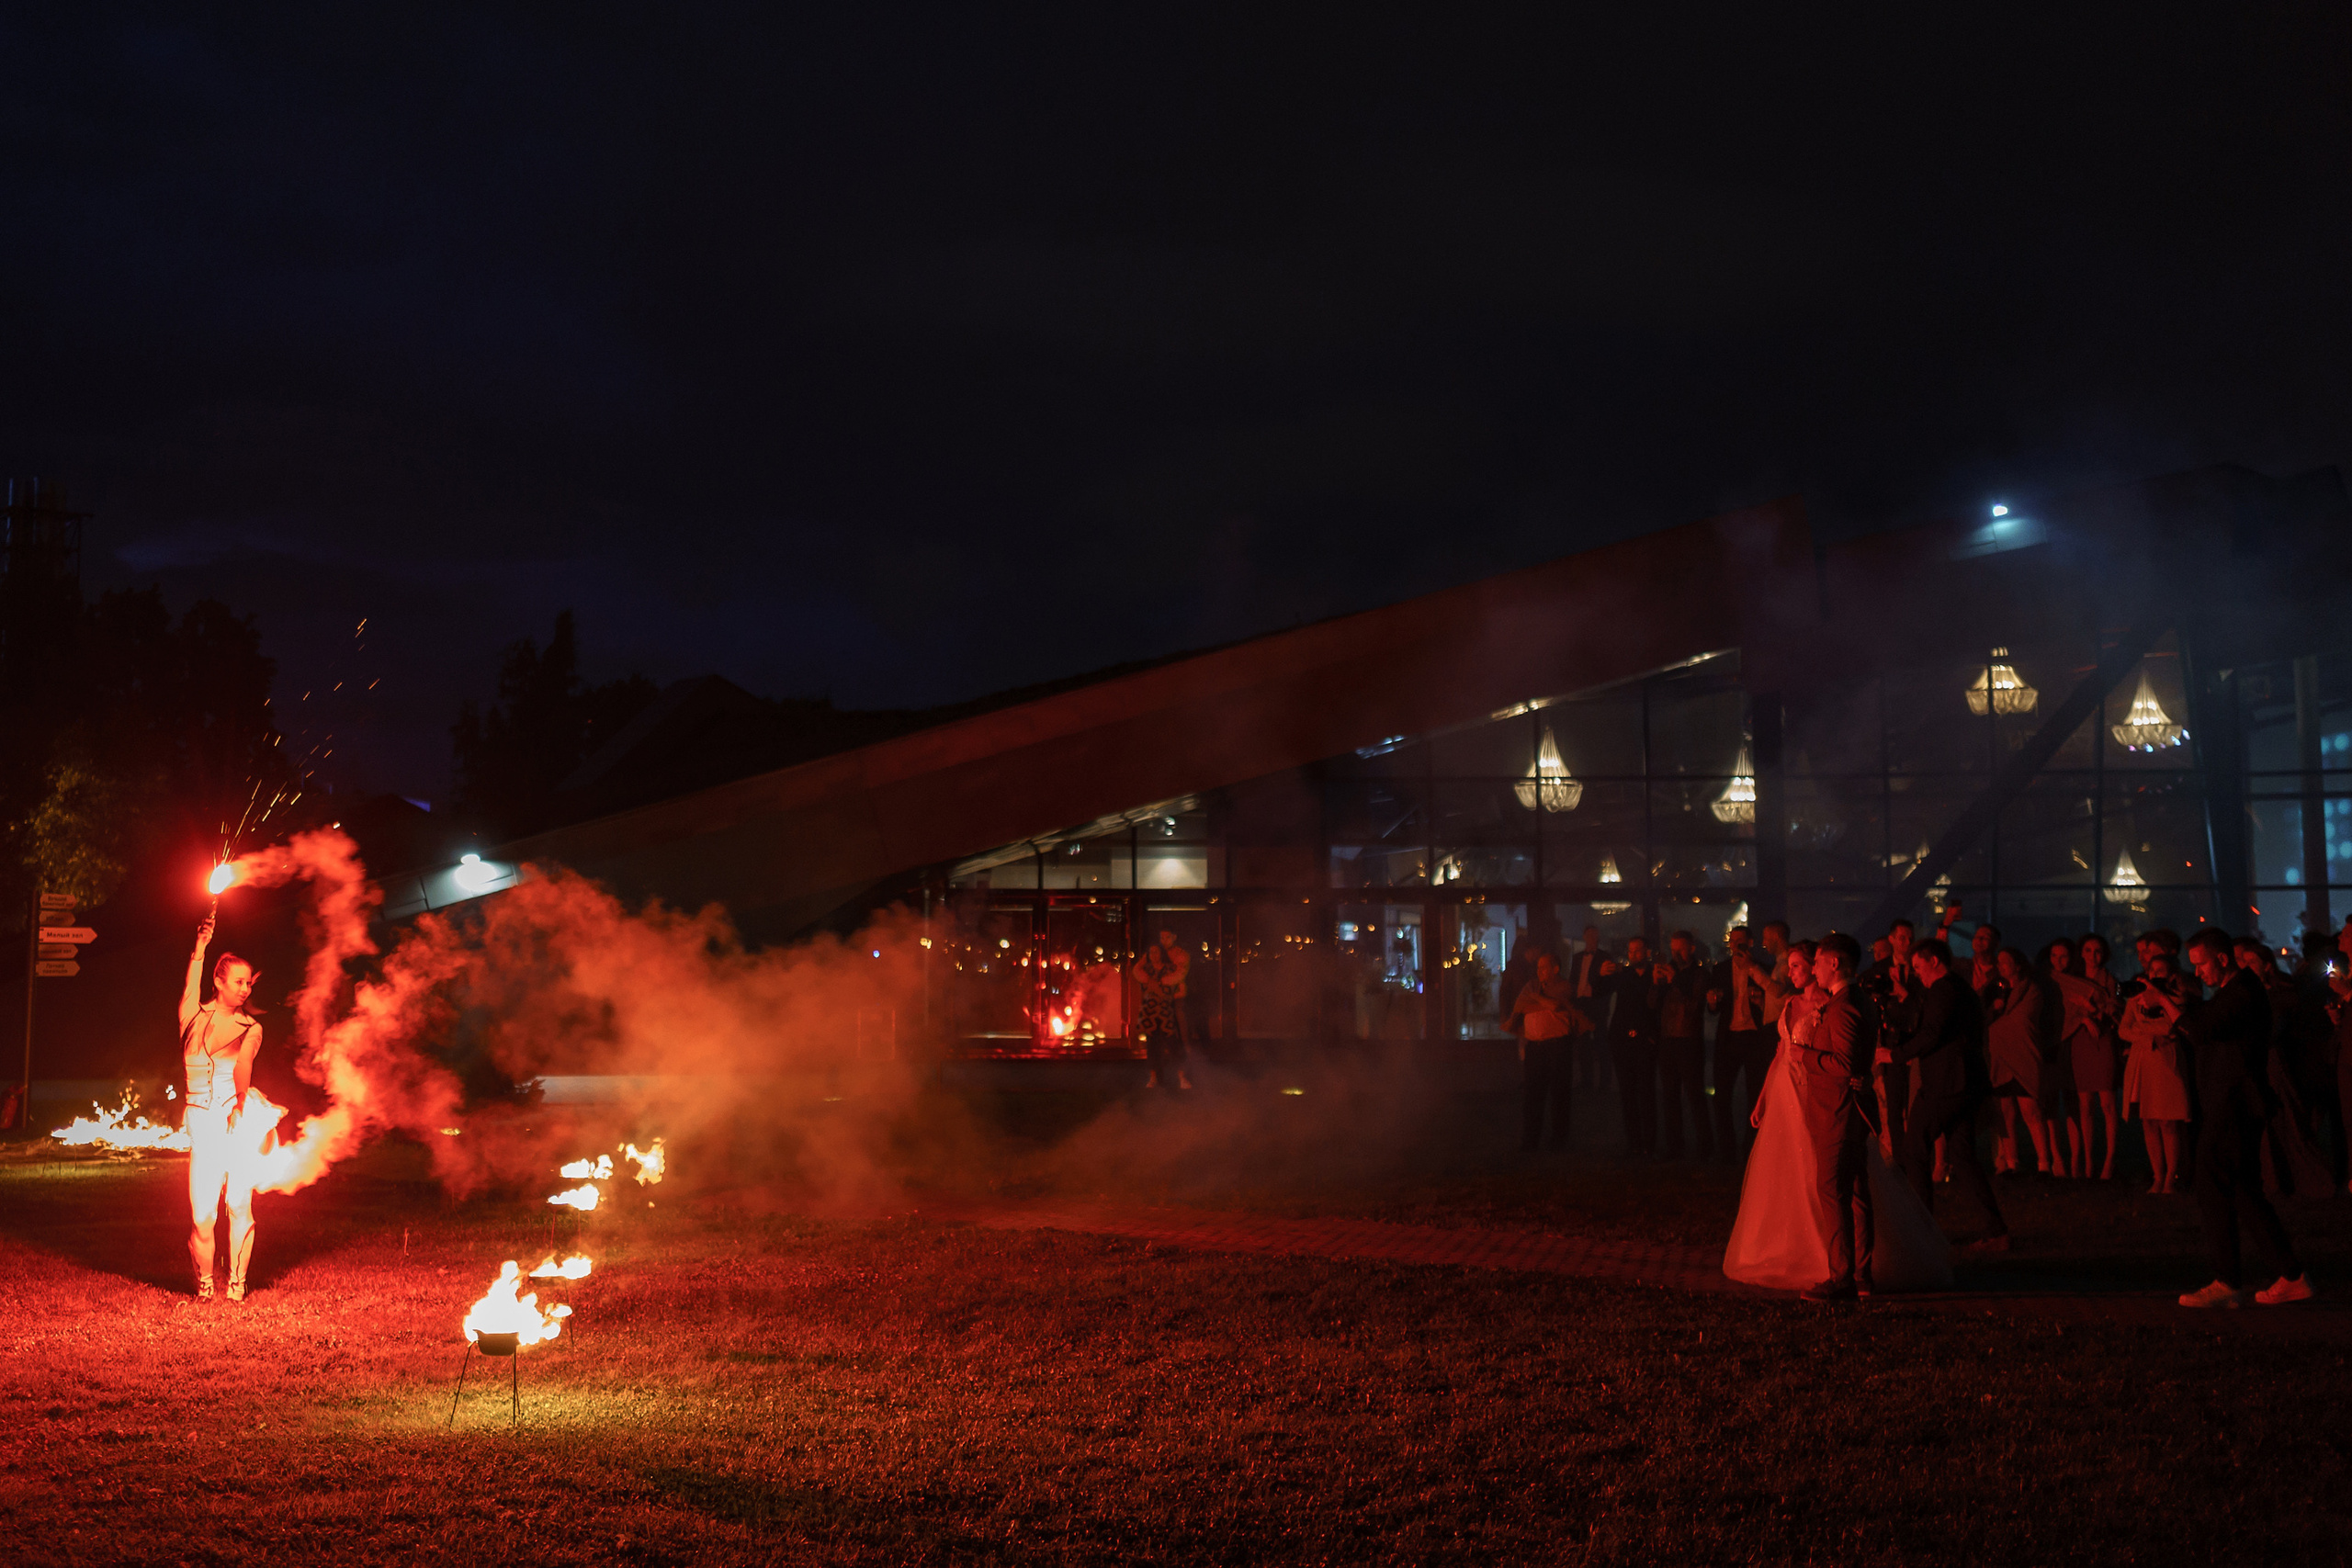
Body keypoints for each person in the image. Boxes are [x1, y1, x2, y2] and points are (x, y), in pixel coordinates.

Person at [1724, 936, 1954, 1297]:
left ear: (1834, 964)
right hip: (1841, 1107)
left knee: (1832, 1192)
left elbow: (1843, 1062)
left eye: (1815, 961)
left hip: (1835, 1110)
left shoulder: (1843, 1006)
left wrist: (1806, 1058)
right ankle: (1861, 1275)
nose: (1811, 968)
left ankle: (1842, 1277)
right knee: (1857, 1193)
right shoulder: (1850, 1000)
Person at [2162, 930, 2314, 1308]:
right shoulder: (2233, 993)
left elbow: (2201, 1030)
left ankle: (2228, 1281)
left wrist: (2166, 1003)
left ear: (2223, 959)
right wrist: (2186, 1003)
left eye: (2201, 964)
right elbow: (2208, 1023)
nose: (2197, 972)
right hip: (2231, 1103)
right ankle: (2290, 1275)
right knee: (2244, 1192)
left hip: (2235, 1105)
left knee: (2212, 1181)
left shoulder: (2243, 992)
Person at [1887, 937, 2010, 1250]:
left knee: (1915, 1148)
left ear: (1934, 962)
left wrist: (1894, 1055)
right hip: (1964, 1082)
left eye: (1918, 967)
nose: (1916, 974)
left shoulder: (1944, 990)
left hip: (1947, 1084)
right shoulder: (1956, 989)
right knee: (1963, 1155)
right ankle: (1995, 1231)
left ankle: (1922, 1230)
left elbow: (1932, 1033)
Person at [180, 913, 265, 1303]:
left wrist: (241, 1102)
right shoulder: (191, 1016)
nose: (245, 989)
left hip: (237, 1122)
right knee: (202, 1216)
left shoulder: (251, 1029)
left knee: (238, 1204)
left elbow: (243, 1066)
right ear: (218, 982)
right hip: (203, 1124)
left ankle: (236, 1285)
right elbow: (190, 980)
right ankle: (204, 1285)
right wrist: (200, 946)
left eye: (249, 983)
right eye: (238, 982)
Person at [2232, 937, 2334, 1196]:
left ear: (2267, 965)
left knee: (2291, 1123)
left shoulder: (2283, 994)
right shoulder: (2249, 994)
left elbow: (2277, 1029)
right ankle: (2275, 1179)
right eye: (2242, 961)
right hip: (2262, 1063)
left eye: (2251, 961)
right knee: (2268, 1127)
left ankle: (2316, 1181)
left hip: (2281, 1064)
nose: (2245, 966)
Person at [2120, 930, 2194, 1194]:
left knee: (2169, 1121)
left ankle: (2172, 1177)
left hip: (2167, 1063)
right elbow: (2123, 1029)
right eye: (2153, 970)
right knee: (2149, 1120)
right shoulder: (2137, 997)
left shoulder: (2176, 998)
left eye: (2161, 970)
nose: (2156, 974)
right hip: (2144, 1062)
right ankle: (2157, 1175)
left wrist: (2150, 1031)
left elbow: (2172, 1026)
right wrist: (2144, 1035)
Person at [1986, 947, 2062, 1175]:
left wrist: (2000, 1021)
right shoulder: (1995, 991)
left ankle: (2044, 1164)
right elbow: (1984, 1018)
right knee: (2005, 1110)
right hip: (2000, 1058)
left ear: (2018, 965)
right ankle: (2011, 1163)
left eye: (2006, 962)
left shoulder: (2032, 990)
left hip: (2024, 1056)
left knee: (2031, 1110)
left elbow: (2023, 1021)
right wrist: (1994, 1009)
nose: (2001, 966)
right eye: (1998, 962)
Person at [1709, 925, 1780, 1162]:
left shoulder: (1763, 969)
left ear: (1749, 943)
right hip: (1729, 1038)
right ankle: (1727, 1150)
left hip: (1754, 1038)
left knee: (1755, 1095)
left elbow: (1771, 1003)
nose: (1736, 944)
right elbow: (1714, 1009)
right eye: (1733, 940)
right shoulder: (1719, 970)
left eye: (1741, 940)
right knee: (1722, 1097)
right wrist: (1712, 1002)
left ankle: (1752, 1148)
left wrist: (1759, 999)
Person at [1506, 953, 1589, 1150]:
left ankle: (1559, 1140)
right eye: (1538, 967)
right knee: (1532, 1094)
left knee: (1559, 1093)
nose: (1540, 971)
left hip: (1558, 1046)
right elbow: (1521, 1007)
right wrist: (1540, 1001)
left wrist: (1536, 999)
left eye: (1544, 967)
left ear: (1556, 969)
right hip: (1535, 1046)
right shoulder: (1532, 986)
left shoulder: (1564, 986)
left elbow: (1557, 1005)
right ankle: (1530, 1140)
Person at [2059, 933, 2126, 1181]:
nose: (2093, 956)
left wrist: (2098, 1010)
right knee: (2084, 1105)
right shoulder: (2073, 980)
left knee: (2108, 1104)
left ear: (2104, 954)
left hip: (2103, 1040)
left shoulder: (2111, 980)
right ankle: (2087, 1161)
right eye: (2088, 950)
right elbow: (2066, 1009)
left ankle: (2109, 1161)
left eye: (2098, 951)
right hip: (2081, 1041)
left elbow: (2117, 1007)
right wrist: (2084, 1017)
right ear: (2082, 953)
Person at [1600, 935, 1666, 1156]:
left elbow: (1655, 1005)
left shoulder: (1653, 975)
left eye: (1638, 950)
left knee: (1646, 1092)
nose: (1633, 954)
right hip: (1622, 1041)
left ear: (1646, 952)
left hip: (1645, 1041)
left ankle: (1649, 1142)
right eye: (1630, 951)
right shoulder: (1623, 974)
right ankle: (1634, 1142)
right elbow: (1602, 988)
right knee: (1627, 1093)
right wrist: (1602, 975)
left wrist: (1657, 983)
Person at [1657, 930, 1713, 1160]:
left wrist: (1675, 981)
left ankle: (1705, 1146)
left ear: (1691, 948)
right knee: (1670, 1096)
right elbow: (1653, 1004)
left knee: (1695, 1096)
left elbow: (1693, 1008)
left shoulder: (1700, 974)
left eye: (1680, 948)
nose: (1675, 953)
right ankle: (1675, 1146)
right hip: (1668, 1041)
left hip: (1689, 1041)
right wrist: (1656, 983)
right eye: (1673, 948)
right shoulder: (1667, 971)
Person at [1132, 930, 1193, 1091]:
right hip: (1150, 1012)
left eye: (1167, 937)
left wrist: (1160, 984)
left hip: (1168, 1008)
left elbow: (1178, 976)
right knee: (1152, 1045)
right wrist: (1149, 982)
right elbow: (1138, 972)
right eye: (1162, 937)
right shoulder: (1147, 967)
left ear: (1174, 937)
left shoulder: (1176, 960)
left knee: (1175, 1041)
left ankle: (1182, 1076)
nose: (1164, 940)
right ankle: (1154, 1077)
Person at [1568, 927, 1612, 1093]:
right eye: (1590, 935)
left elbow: (1607, 984)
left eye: (1596, 935)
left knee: (1601, 1044)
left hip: (1597, 1004)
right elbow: (1574, 979)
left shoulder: (1604, 957)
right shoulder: (1578, 957)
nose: (1593, 937)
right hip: (1582, 1004)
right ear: (1585, 936)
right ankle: (1587, 1081)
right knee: (1583, 1045)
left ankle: (1604, 1082)